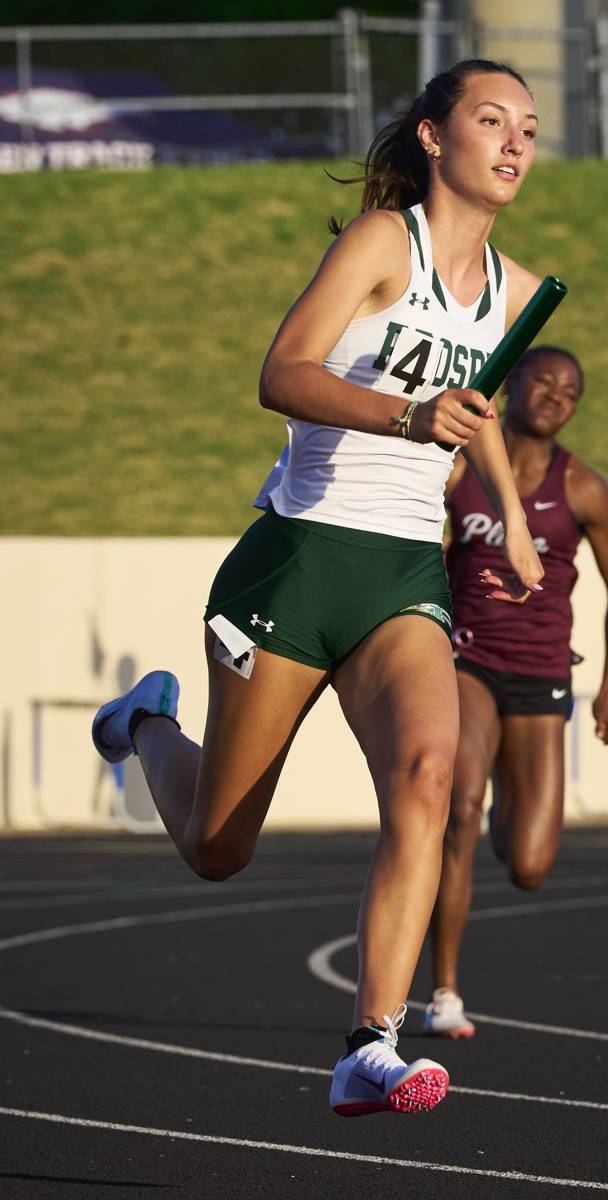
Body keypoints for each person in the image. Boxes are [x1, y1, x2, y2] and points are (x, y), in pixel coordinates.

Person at [91, 59, 550, 1116]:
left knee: (429, 782)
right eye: (490, 120)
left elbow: (471, 417)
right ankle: (144, 723)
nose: (515, 142)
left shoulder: (520, 292)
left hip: (401, 571)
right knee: (218, 847)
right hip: (296, 561)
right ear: (434, 139)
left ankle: (368, 1043)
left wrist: (515, 529)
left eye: (528, 127)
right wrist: (403, 415)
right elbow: (281, 371)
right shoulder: (383, 242)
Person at [424, 345, 608, 1038]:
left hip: (544, 673)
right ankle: (445, 992)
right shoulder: (460, 468)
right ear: (511, 385)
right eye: (542, 381)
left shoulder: (584, 489)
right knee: (457, 809)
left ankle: (498, 805)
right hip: (469, 660)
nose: (555, 396)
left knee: (529, 868)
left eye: (570, 391)